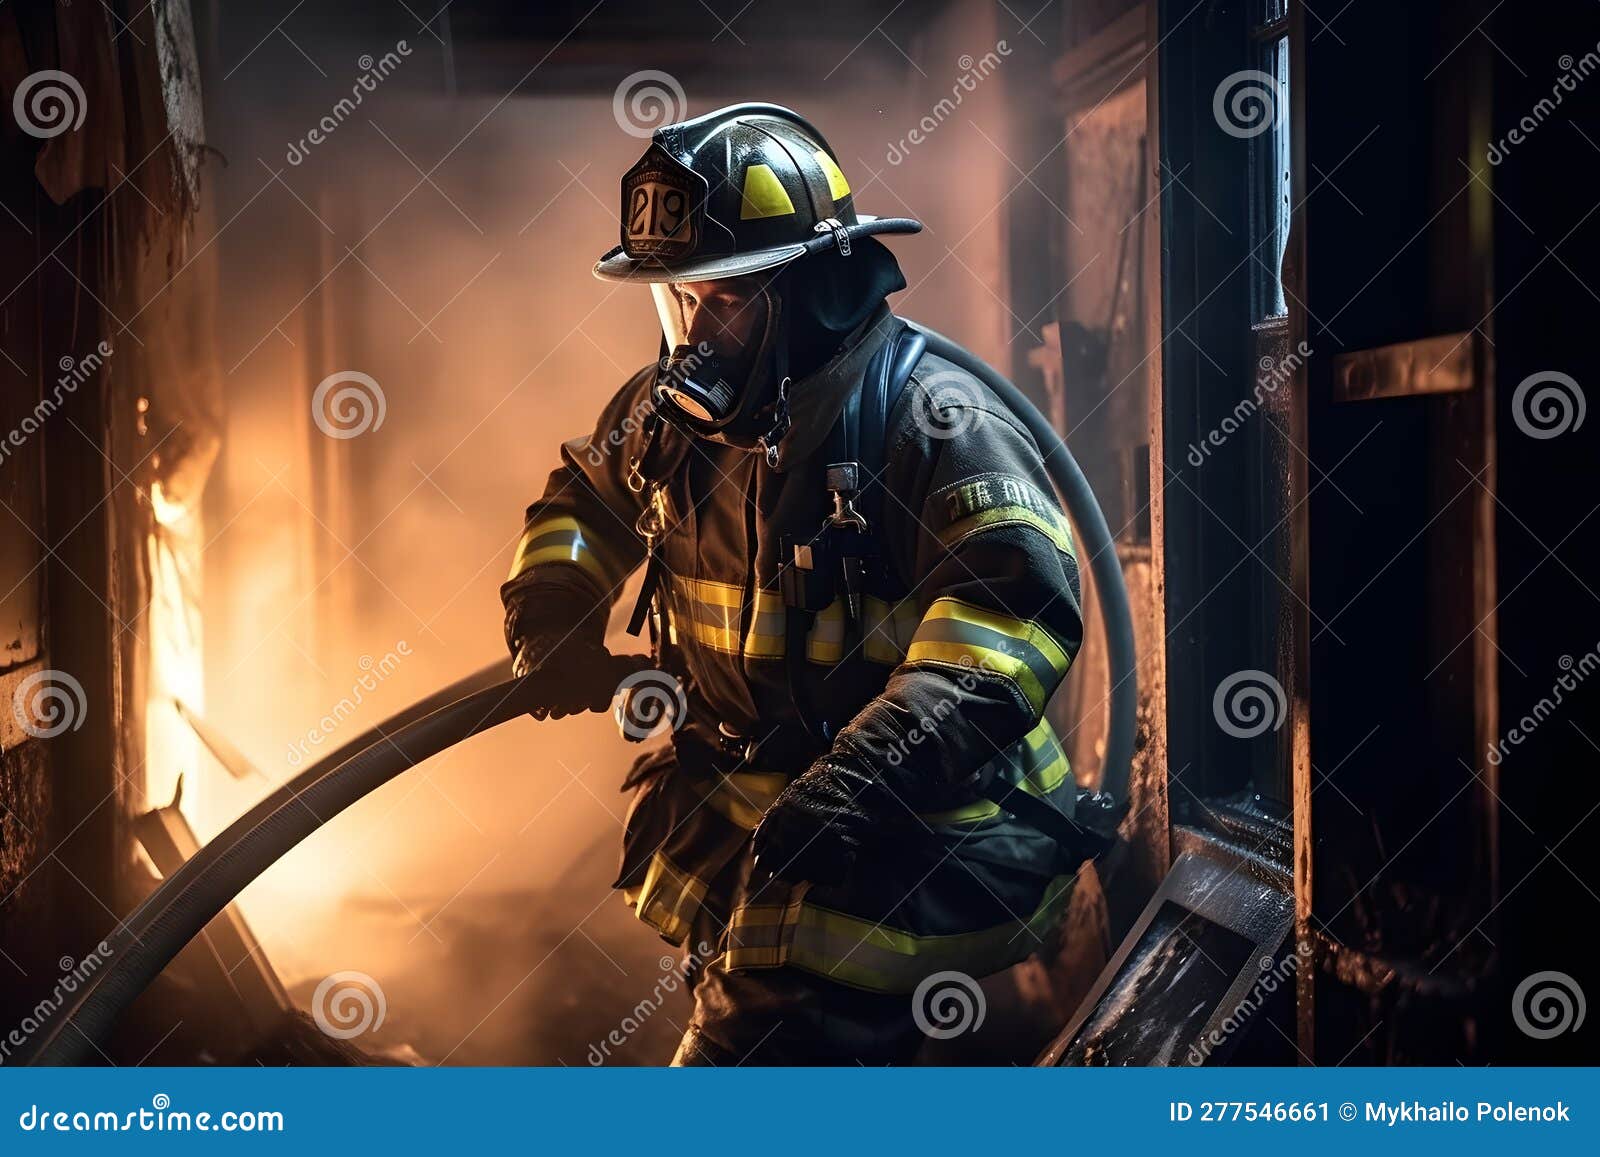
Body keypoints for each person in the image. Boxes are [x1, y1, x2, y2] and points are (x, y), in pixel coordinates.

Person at [501, 103, 1085, 1064]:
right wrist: (552, 607)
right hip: (747, 820)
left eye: (720, 300)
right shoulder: (670, 417)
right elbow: (586, 502)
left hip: (906, 833)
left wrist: (863, 776)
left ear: (811, 290)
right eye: (673, 300)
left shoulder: (933, 424)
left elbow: (1010, 618)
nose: (689, 336)